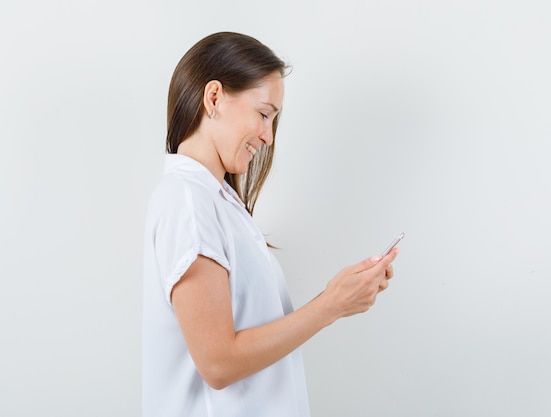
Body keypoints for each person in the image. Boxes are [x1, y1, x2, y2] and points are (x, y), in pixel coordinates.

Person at [142, 31, 400, 417]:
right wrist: (332, 305)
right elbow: (218, 363)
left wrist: (337, 299)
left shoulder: (214, 202)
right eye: (263, 114)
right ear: (213, 98)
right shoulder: (188, 202)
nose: (267, 135)